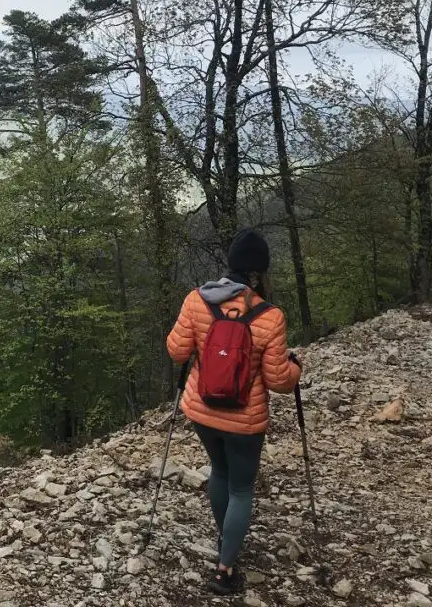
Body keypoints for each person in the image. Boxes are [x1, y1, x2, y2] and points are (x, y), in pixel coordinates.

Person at [166, 228, 301, 596]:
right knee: (242, 488)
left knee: (219, 472)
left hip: (203, 411)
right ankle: (225, 569)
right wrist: (296, 368)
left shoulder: (196, 300)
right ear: (258, 272)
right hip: (244, 419)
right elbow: (278, 380)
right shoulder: (270, 316)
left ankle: (226, 536)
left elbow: (177, 352)